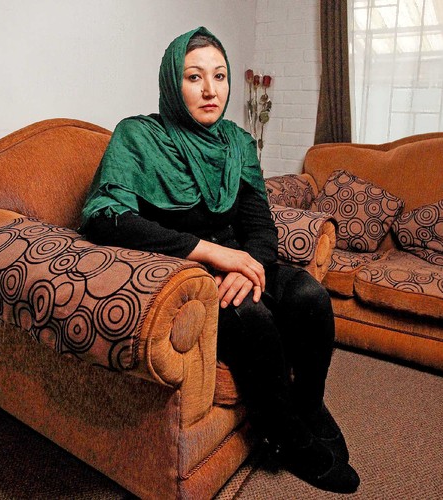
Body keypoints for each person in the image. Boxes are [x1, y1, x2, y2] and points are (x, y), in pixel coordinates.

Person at [80, 26, 360, 494]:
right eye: (194, 76)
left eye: (220, 76)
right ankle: (284, 436)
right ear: (172, 82)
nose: (211, 90)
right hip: (185, 271)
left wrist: (251, 266)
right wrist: (215, 254)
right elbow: (106, 219)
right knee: (252, 320)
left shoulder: (236, 141)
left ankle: (309, 405)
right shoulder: (138, 136)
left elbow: (260, 224)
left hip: (239, 261)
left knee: (310, 295)